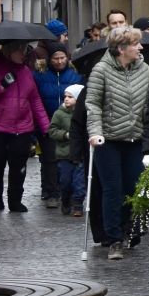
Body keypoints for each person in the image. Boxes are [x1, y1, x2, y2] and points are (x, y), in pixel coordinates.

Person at [84, 26, 149, 259]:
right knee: (113, 189)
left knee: (134, 187)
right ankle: (113, 238)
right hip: (109, 139)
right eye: (136, 44)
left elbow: (148, 103)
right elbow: (93, 103)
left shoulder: (144, 69)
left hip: (135, 138)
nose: (141, 48)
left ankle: (128, 229)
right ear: (122, 48)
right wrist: (95, 131)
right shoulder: (101, 70)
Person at [0, 42, 49, 213]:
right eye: (20, 51)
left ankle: (15, 200)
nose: (23, 54)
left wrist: (46, 126)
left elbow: (35, 100)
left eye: (24, 50)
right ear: (9, 52)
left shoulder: (25, 72)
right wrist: (1, 85)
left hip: (21, 127)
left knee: (19, 165)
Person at [32, 44, 83, 208]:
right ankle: (52, 193)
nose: (59, 61)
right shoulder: (40, 75)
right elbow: (35, 100)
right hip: (46, 122)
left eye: (62, 57)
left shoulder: (76, 75)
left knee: (70, 158)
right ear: (49, 59)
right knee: (50, 159)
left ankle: (69, 192)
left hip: (72, 123)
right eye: (55, 58)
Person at [48, 86, 87, 217]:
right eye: (65, 96)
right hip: (64, 154)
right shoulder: (59, 114)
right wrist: (65, 135)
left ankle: (78, 205)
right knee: (65, 182)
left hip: (80, 154)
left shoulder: (85, 113)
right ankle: (65, 200)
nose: (66, 99)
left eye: (70, 97)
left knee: (79, 182)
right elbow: (52, 131)